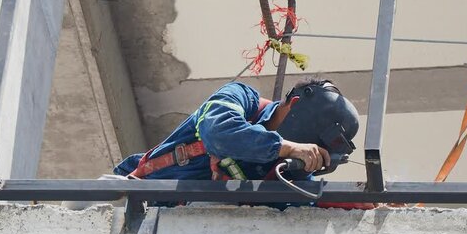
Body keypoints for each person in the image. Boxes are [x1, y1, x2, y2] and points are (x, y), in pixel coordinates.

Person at [113, 78, 359, 182]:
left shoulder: (291, 174)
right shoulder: (240, 97)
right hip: (137, 196)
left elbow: (320, 204)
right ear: (295, 103)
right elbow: (217, 133)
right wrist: (287, 147)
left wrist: (377, 203)